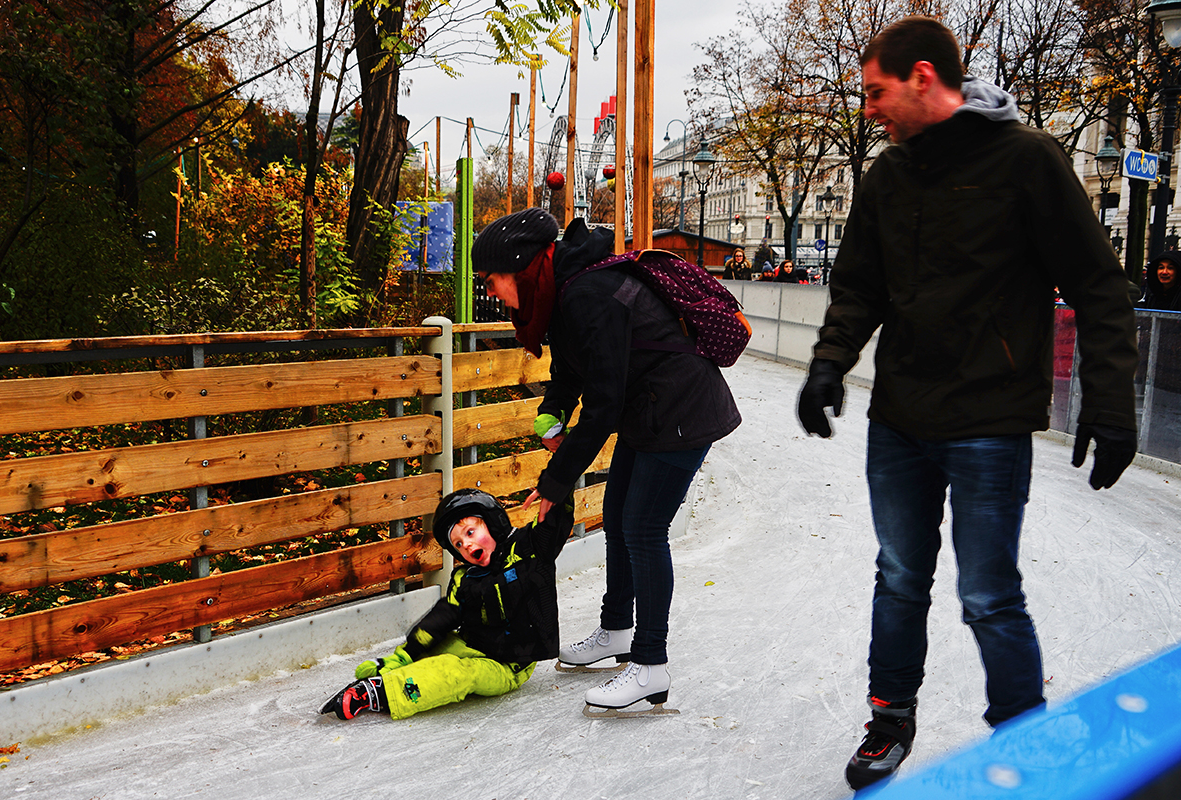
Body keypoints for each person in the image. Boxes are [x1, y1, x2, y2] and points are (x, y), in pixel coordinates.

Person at [795, 17, 1138, 791]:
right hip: (901, 418)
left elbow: (1098, 285)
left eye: (877, 92)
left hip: (988, 420)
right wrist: (828, 366)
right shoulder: (888, 176)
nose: (869, 109)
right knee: (898, 577)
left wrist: (1110, 402)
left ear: (923, 77)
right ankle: (889, 720)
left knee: (988, 592)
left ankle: (1025, 736)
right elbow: (858, 286)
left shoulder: (1027, 161)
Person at [473, 207, 741, 714]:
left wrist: (555, 481)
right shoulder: (569, 288)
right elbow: (577, 369)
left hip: (681, 411)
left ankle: (650, 665)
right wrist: (551, 409)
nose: (491, 292)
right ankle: (617, 630)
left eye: (492, 280)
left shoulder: (587, 294)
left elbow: (601, 407)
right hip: (651, 412)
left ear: (521, 265)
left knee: (642, 528)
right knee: (618, 517)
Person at [319, 488, 575, 720]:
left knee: (457, 672)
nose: (467, 545)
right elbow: (442, 618)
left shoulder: (528, 550)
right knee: (437, 642)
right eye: (459, 544)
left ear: (494, 524)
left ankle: (383, 693)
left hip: (508, 665)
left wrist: (558, 485)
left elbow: (556, 523)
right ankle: (394, 669)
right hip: (472, 644)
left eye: (470, 532)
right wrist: (402, 656)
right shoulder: (466, 578)